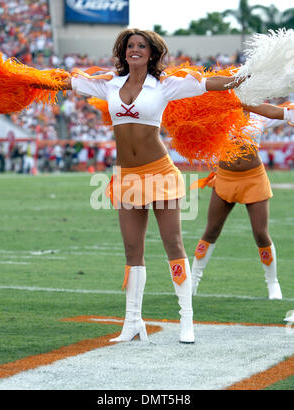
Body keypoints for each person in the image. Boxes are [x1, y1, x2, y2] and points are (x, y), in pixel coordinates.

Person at [59, 28, 247, 344]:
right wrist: (13, 76)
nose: (135, 50)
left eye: (141, 46)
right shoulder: (109, 84)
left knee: (173, 244)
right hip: (127, 177)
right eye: (130, 46)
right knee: (133, 249)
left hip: (160, 172)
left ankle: (186, 320)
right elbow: (63, 81)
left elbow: (210, 84)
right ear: (123, 51)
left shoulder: (165, 84)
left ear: (152, 52)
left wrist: (245, 76)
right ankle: (133, 322)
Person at [191, 103, 294, 300]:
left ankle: (273, 283)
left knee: (261, 233)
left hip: (253, 178)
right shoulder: (218, 113)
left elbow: (283, 112)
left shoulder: (259, 114)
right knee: (211, 231)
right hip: (225, 178)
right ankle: (193, 282)